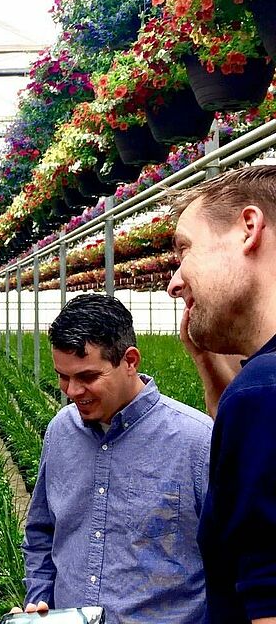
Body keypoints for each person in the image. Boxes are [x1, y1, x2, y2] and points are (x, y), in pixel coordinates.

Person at [21, 293, 212, 624]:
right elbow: (42, 531)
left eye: (88, 377)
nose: (71, 391)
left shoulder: (196, 440)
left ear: (130, 361)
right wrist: (39, 602)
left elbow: (232, 557)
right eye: (63, 376)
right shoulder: (60, 432)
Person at [167, 164, 276, 624]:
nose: (174, 282)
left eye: (184, 250)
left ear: (248, 229)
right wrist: (208, 364)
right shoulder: (258, 391)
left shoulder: (261, 396)